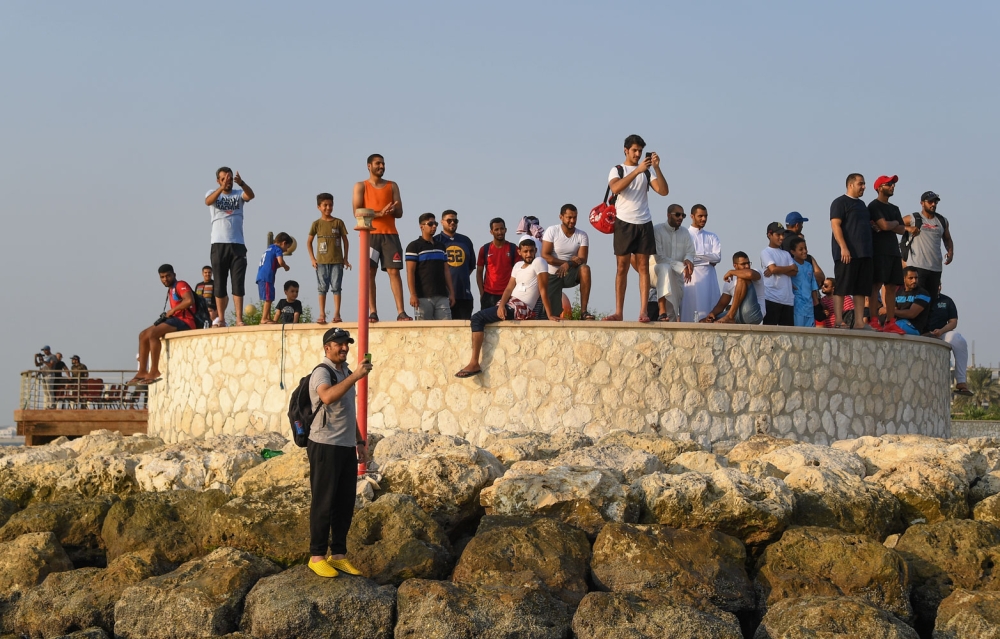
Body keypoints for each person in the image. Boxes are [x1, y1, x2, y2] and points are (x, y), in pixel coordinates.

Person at [306, 327, 372, 578]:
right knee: (324, 501)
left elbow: (347, 410)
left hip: (345, 445)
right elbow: (327, 397)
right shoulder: (322, 372)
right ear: (327, 347)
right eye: (339, 344)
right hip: (324, 444)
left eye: (347, 344)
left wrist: (359, 442)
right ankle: (317, 556)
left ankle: (339, 555)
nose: (344, 347)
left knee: (345, 502)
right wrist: (355, 376)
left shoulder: (343, 372)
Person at [456, 238, 559, 378]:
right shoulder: (517, 266)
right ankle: (474, 361)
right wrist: (502, 305)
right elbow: (509, 288)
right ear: (520, 252)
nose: (529, 254)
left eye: (531, 251)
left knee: (477, 318)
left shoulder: (539, 262)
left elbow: (543, 290)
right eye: (525, 251)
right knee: (481, 317)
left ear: (535, 250)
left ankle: (474, 362)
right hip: (510, 303)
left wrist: (549, 314)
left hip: (521, 307)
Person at [606, 134, 670, 322]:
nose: (637, 154)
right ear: (626, 150)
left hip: (644, 223)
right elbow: (615, 188)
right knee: (622, 268)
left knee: (643, 267)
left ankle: (643, 311)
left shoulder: (647, 172)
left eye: (640, 151)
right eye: (634, 150)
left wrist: (656, 168)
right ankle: (619, 311)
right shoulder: (617, 169)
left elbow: (664, 191)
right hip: (624, 222)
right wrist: (637, 170)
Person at [353, 154, 409, 322]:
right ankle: (372, 311)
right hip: (370, 235)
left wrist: (391, 211)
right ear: (369, 166)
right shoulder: (360, 186)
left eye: (383, 163)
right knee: (370, 273)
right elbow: (357, 212)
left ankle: (401, 311)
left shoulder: (392, 186)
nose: (381, 166)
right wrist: (379, 213)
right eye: (378, 163)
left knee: (394, 271)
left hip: (390, 234)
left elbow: (400, 212)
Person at [205, 167, 255, 327]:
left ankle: (239, 319)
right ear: (218, 180)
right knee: (219, 283)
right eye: (224, 178)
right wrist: (221, 188)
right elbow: (208, 202)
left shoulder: (238, 194)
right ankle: (221, 319)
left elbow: (251, 195)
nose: (227, 181)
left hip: (238, 244)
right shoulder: (212, 193)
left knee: (238, 283)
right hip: (219, 244)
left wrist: (242, 183)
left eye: (230, 178)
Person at [130, 264, 195, 385]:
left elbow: (189, 300)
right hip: (175, 319)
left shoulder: (181, 285)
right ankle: (142, 371)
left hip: (185, 321)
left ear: (174, 275)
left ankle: (154, 370)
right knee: (143, 335)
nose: (165, 279)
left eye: (168, 276)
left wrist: (173, 310)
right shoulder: (171, 289)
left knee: (154, 334)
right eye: (162, 277)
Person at [830, 173, 873, 330]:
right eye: (860, 183)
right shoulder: (840, 202)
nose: (864, 187)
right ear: (850, 185)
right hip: (847, 254)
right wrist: (843, 247)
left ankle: (860, 322)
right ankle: (838, 320)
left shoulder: (862, 205)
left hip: (864, 253)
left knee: (861, 289)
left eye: (864, 183)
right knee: (842, 286)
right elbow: (835, 225)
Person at [867, 175, 907, 334]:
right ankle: (873, 319)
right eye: (889, 184)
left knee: (891, 287)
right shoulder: (874, 206)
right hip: (878, 251)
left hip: (893, 251)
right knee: (875, 286)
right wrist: (893, 224)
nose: (892, 186)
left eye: (893, 184)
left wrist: (892, 225)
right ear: (879, 187)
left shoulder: (894, 208)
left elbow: (902, 229)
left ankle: (891, 321)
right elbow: (883, 225)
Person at [542, 204, 593, 320]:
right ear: (561, 217)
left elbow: (583, 259)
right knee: (551, 315)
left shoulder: (582, 235)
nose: (572, 221)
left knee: (585, 269)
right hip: (553, 274)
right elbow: (545, 255)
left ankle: (584, 312)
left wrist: (568, 264)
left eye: (575, 217)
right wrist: (565, 262)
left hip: (570, 273)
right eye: (569, 217)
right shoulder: (552, 231)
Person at [903, 191, 954, 305]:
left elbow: (947, 239)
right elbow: (897, 225)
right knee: (916, 301)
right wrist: (909, 228)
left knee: (931, 302)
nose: (933, 204)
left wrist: (950, 252)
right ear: (922, 203)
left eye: (935, 202)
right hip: (917, 267)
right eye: (930, 201)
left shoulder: (942, 221)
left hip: (935, 268)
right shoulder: (913, 218)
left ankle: (927, 323)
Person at [307, 193, 351, 325]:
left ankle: (337, 313)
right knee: (322, 288)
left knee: (336, 287)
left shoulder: (338, 222)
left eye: (330, 205)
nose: (328, 208)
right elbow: (309, 242)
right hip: (321, 262)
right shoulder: (316, 224)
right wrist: (312, 259)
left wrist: (345, 258)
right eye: (325, 205)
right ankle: (322, 314)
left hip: (337, 261)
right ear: (319, 207)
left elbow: (345, 241)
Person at [649, 204, 695, 321]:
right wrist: (681, 267)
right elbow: (659, 257)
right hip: (655, 271)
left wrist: (688, 260)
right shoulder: (657, 230)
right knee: (665, 268)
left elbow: (690, 251)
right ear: (668, 215)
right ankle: (662, 309)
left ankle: (666, 321)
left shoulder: (685, 232)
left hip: (676, 276)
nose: (681, 217)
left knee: (673, 313)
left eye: (683, 215)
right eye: (677, 215)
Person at [924, 285, 971, 396]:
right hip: (920, 333)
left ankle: (961, 381)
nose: (938, 287)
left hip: (941, 333)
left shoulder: (947, 301)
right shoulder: (920, 298)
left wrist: (941, 331)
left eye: (939, 284)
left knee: (959, 340)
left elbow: (953, 322)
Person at [405, 213, 455, 320]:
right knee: (424, 330)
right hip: (423, 297)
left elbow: (446, 271)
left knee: (446, 329)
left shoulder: (441, 246)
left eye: (435, 223)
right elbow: (410, 272)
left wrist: (451, 293)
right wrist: (413, 294)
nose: (434, 226)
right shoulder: (414, 246)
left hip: (442, 296)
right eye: (430, 223)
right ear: (421, 226)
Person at [681, 204, 722, 322]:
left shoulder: (712, 236)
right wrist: (708, 260)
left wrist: (692, 257)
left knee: (710, 311)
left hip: (709, 280)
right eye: (700, 216)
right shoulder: (684, 235)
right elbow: (681, 257)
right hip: (690, 279)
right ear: (692, 216)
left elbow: (717, 257)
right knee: (689, 312)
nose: (703, 219)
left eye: (705, 216)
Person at [701, 252, 765, 325]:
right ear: (735, 265)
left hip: (754, 315)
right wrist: (712, 313)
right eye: (743, 264)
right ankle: (730, 317)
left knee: (742, 278)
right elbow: (722, 304)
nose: (747, 266)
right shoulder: (730, 282)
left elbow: (749, 274)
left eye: (748, 263)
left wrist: (731, 272)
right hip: (738, 315)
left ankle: (730, 316)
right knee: (704, 322)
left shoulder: (756, 272)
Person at [435, 210, 476, 320]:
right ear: (442, 222)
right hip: (443, 296)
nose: (452, 223)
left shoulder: (466, 241)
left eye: (455, 220)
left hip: (464, 295)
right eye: (449, 220)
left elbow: (471, 266)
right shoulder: (436, 241)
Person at [477, 218, 520, 310]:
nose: (500, 232)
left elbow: (519, 273)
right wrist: (482, 293)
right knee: (487, 322)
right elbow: (479, 272)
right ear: (491, 232)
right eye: (496, 229)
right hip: (489, 294)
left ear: (506, 230)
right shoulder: (484, 249)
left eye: (502, 229)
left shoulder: (513, 249)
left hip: (508, 293)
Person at [761, 222, 797, 326]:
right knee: (769, 333)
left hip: (787, 299)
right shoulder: (766, 252)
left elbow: (794, 272)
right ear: (769, 235)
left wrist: (777, 269)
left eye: (783, 235)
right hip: (772, 298)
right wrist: (789, 268)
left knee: (787, 336)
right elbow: (773, 269)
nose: (781, 237)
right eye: (778, 235)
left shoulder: (785, 253)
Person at [256, 232, 293, 325]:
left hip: (261, 276)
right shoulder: (278, 249)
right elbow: (280, 261)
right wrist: (285, 266)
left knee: (267, 298)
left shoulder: (269, 249)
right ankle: (264, 318)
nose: (286, 250)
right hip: (267, 277)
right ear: (284, 243)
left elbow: (273, 264)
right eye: (287, 247)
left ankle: (268, 318)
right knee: (269, 298)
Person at [781, 212, 825, 288]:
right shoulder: (797, 241)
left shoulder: (780, 240)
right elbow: (819, 275)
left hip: (784, 284)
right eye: (802, 224)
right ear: (797, 225)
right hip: (801, 287)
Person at [888, 267, 931, 336]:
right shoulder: (898, 293)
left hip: (913, 327)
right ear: (904, 279)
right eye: (910, 278)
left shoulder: (923, 293)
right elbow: (894, 312)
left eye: (916, 278)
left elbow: (911, 314)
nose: (914, 281)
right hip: (898, 324)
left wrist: (888, 310)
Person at [788, 237, 820, 327]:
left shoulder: (809, 266)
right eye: (801, 249)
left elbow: (813, 286)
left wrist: (817, 304)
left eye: (805, 248)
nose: (805, 251)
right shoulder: (790, 265)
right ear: (793, 251)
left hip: (809, 308)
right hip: (797, 307)